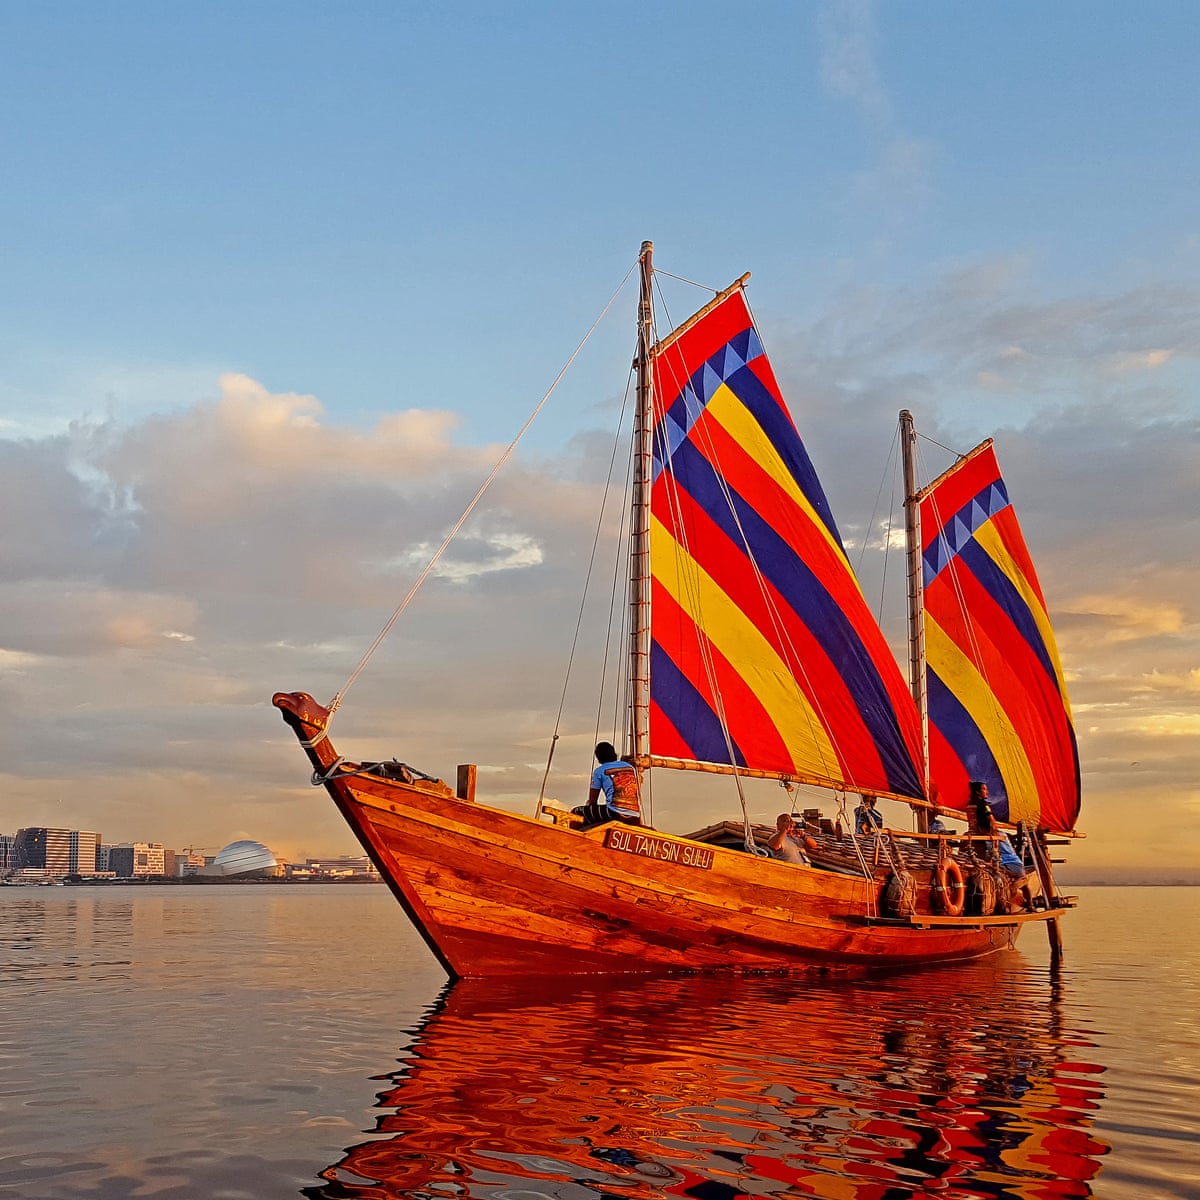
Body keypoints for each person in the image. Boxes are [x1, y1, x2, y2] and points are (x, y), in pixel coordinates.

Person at [968, 780, 1032, 910]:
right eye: (984, 789)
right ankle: (1029, 903)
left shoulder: (971, 805)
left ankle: (1024, 899)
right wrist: (995, 830)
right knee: (1022, 875)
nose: (987, 791)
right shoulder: (983, 806)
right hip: (993, 838)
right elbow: (991, 821)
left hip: (984, 838)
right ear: (978, 792)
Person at [573, 742, 642, 828]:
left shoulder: (599, 771)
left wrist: (590, 806)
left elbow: (593, 801)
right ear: (614, 754)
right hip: (635, 815)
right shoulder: (630, 768)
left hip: (614, 813)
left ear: (598, 757)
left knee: (577, 812)